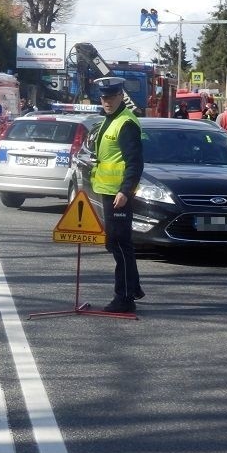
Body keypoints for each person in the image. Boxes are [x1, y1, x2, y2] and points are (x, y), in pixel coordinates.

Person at [92, 76, 144, 313]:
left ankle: (124, 298)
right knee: (117, 243)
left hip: (118, 194)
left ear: (121, 96)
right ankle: (132, 288)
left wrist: (126, 191)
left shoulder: (126, 123)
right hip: (107, 191)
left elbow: (135, 163)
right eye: (104, 97)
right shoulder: (110, 119)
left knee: (120, 245)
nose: (107, 101)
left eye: (111, 97)